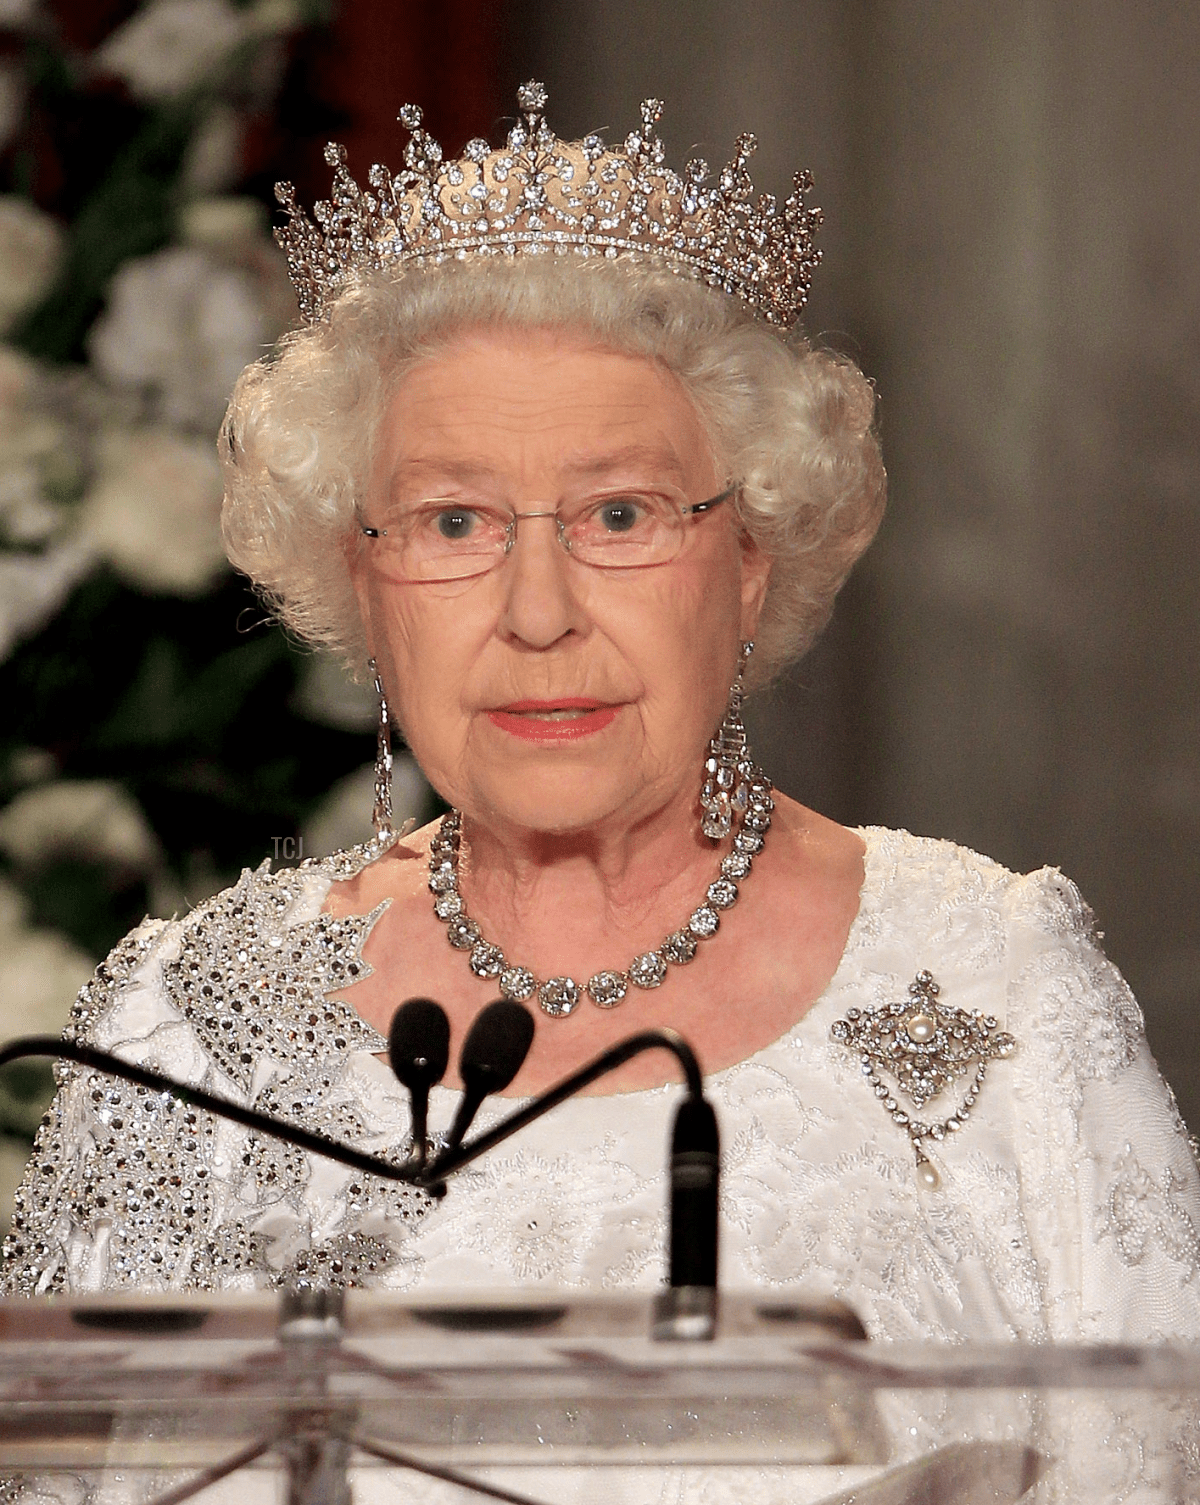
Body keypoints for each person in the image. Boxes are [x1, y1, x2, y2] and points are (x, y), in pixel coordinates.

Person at [3, 83, 1198, 1502]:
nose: (538, 610)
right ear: (363, 584)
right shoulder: (183, 1035)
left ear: (748, 561)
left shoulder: (1001, 986)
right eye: (454, 522)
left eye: (619, 515)